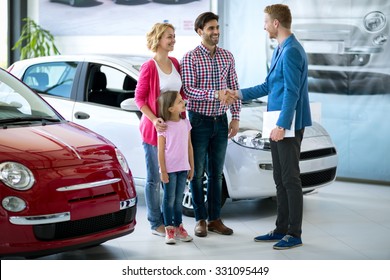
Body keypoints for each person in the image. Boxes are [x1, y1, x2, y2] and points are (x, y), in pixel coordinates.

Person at [232, 4, 312, 249]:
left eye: (266, 21)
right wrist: (237, 93)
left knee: (290, 179)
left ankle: (294, 233)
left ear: (276, 23)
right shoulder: (281, 49)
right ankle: (281, 228)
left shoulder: (291, 51)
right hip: (277, 123)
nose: (264, 26)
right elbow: (268, 87)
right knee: (279, 178)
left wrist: (281, 124)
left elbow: (292, 92)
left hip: (286, 124)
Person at [180, 12, 241, 237]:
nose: (216, 32)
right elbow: (188, 91)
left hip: (221, 122)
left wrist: (235, 116)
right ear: (200, 32)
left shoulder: (227, 56)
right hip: (198, 121)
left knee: (216, 174)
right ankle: (200, 219)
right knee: (197, 174)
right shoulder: (190, 58)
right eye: (210, 28)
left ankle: (215, 218)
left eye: (217, 27)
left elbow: (234, 88)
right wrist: (215, 95)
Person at [135, 22, 183, 237]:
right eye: (168, 37)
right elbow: (139, 99)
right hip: (155, 130)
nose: (173, 40)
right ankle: (155, 222)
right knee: (155, 178)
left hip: (174, 131)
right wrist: (154, 119)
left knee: (171, 178)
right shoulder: (149, 66)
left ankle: (170, 220)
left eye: (173, 36)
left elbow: (181, 96)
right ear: (158, 40)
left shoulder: (174, 62)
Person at [157, 90, 194, 244]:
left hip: (183, 167)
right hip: (170, 170)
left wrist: (191, 166)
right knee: (169, 199)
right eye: (179, 101)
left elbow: (189, 146)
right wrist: (163, 171)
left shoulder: (185, 123)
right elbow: (160, 151)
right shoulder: (163, 127)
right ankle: (169, 229)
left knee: (178, 199)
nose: (183, 102)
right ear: (170, 109)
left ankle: (179, 227)